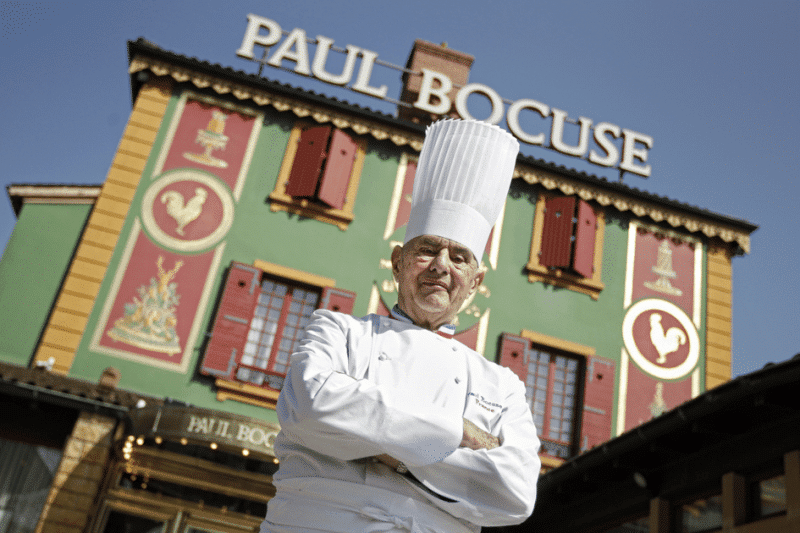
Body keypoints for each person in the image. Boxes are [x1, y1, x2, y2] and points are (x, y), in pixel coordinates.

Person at [261, 119, 541, 533]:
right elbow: (311, 405)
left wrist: (391, 451)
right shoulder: (338, 331)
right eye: (427, 250)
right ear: (397, 263)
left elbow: (515, 493)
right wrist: (455, 431)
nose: (441, 266)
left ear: (475, 283)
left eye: (459, 257)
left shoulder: (503, 385)